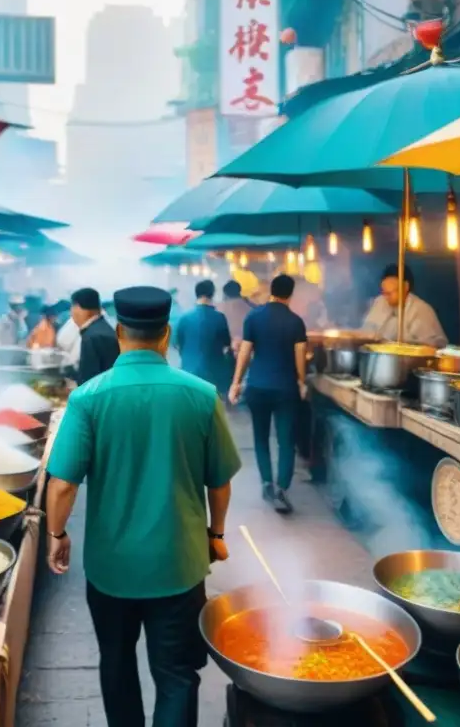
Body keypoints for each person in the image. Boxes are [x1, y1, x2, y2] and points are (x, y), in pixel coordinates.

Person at [45, 286, 240, 727]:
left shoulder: (89, 397)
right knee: (176, 674)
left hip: (111, 569)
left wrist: (57, 536)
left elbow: (61, 486)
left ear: (119, 332)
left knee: (116, 664)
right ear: (166, 334)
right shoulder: (201, 394)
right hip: (178, 566)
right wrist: (216, 534)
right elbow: (220, 481)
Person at [230, 274, 308, 514]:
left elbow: (244, 352)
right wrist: (302, 382)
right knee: (286, 441)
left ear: (271, 291)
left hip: (258, 388)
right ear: (290, 294)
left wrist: (236, 383)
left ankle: (266, 483)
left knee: (261, 437)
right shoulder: (296, 321)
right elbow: (300, 355)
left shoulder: (254, 317)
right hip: (286, 389)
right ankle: (282, 487)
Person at [361, 264, 448, 348]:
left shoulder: (421, 310)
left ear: (406, 286)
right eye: (384, 293)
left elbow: (431, 344)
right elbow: (366, 332)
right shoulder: (379, 302)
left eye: (390, 292)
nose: (386, 297)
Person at [175, 280, 231, 393]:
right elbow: (226, 343)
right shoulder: (219, 318)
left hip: (189, 372)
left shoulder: (184, 318)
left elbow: (177, 344)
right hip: (213, 374)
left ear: (196, 294)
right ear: (212, 294)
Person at [71, 288, 120, 385]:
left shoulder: (91, 336)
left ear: (78, 308)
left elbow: (88, 380)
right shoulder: (104, 328)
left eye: (72, 307)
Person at [218, 280, 254, 351]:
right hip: (247, 350)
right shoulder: (252, 309)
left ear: (225, 293)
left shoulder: (218, 309)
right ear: (239, 291)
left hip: (225, 350)